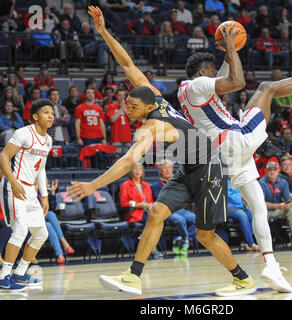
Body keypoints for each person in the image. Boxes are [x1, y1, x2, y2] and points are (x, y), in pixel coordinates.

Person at [67, 6, 255, 297]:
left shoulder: (150, 126)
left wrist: (93, 184)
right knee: (155, 212)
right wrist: (103, 32)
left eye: (131, 107)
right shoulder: (152, 97)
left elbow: (129, 160)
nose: (126, 111)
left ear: (145, 106)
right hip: (187, 169)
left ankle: (242, 279)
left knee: (204, 236)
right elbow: (128, 65)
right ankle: (133, 276)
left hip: (209, 169)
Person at [178, 22, 292, 293]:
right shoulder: (196, 85)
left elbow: (227, 71)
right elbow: (237, 81)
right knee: (266, 88)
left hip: (226, 154)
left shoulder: (191, 91)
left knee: (258, 207)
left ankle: (271, 266)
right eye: (211, 71)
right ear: (203, 73)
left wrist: (229, 51)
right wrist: (230, 45)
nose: (214, 74)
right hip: (234, 140)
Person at [0, 99, 54, 291]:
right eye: (47, 112)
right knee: (21, 229)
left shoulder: (48, 140)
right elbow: (3, 157)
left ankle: (20, 273)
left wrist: (45, 195)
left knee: (41, 233)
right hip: (12, 185)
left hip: (30, 191)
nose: (51, 116)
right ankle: (4, 275)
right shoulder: (23, 133)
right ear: (35, 116)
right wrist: (13, 182)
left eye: (53, 114)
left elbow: (41, 169)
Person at [151, 159, 196, 256]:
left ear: (172, 170)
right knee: (180, 220)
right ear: (160, 171)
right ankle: (185, 240)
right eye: (164, 168)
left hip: (180, 209)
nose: (167, 170)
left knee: (196, 218)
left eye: (169, 168)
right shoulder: (155, 186)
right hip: (167, 211)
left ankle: (182, 239)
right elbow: (160, 200)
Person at [259, 159, 292, 249]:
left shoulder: (283, 182)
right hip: (265, 211)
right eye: (270, 170)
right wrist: (279, 206)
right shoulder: (261, 183)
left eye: (274, 170)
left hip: (278, 210)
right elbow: (261, 204)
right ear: (266, 171)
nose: (272, 172)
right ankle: (264, 241)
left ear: (278, 171)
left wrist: (289, 204)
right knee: (261, 215)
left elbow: (287, 199)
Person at [42, 179, 75, 264]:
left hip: (44, 220)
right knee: (50, 216)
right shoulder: (31, 194)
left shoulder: (44, 193)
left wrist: (52, 192)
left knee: (49, 221)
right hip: (33, 219)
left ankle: (60, 254)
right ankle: (64, 242)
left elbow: (52, 207)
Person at [227, 180, 259, 252]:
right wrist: (241, 197)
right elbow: (228, 195)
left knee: (251, 214)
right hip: (229, 206)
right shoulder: (223, 181)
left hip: (241, 205)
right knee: (243, 216)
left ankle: (244, 242)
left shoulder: (236, 179)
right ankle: (251, 243)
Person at [105, 88, 133, 155]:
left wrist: (124, 108)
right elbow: (112, 120)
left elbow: (132, 120)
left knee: (126, 160)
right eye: (120, 95)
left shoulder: (128, 107)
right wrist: (121, 108)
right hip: (116, 137)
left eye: (123, 95)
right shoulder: (111, 106)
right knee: (116, 159)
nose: (122, 97)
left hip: (127, 137)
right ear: (116, 96)